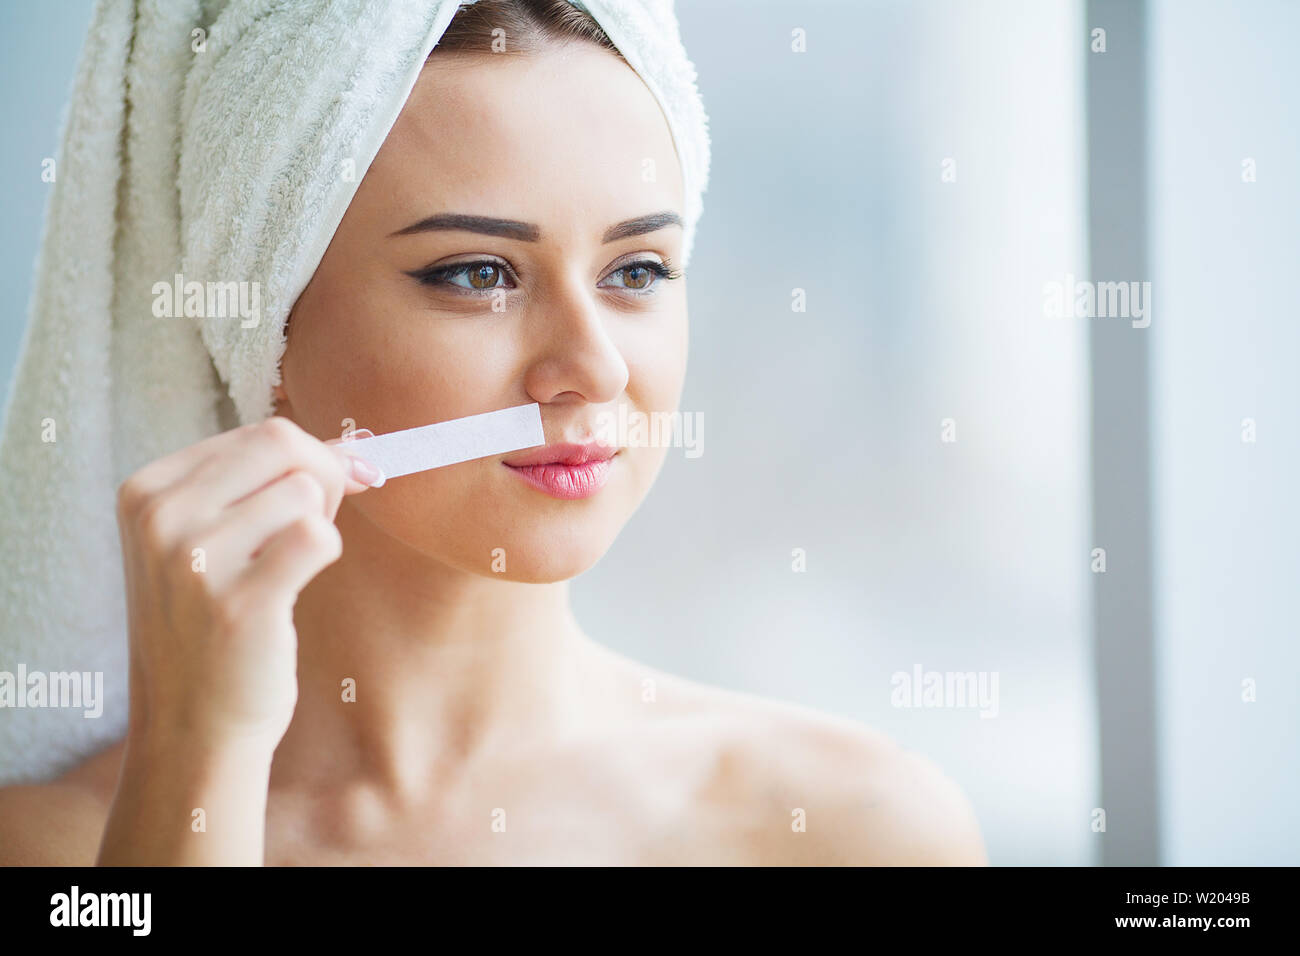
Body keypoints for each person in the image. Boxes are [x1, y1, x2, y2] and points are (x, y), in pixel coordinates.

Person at [0, 0, 986, 866]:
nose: (595, 366)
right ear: (268, 327)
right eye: (478, 272)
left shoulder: (853, 829)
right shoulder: (64, 850)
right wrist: (194, 763)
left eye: (635, 270)